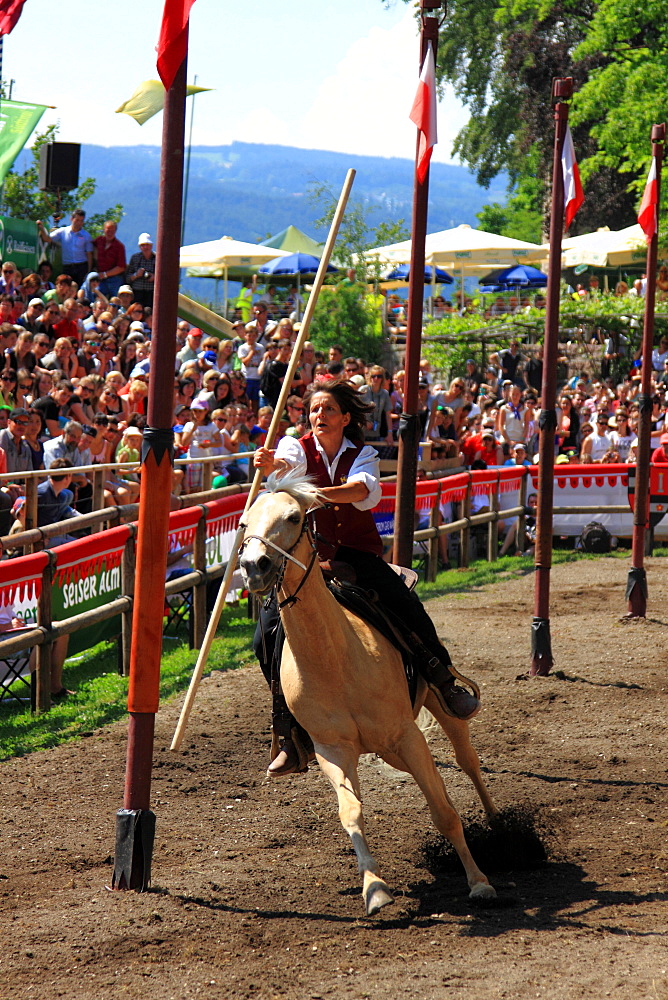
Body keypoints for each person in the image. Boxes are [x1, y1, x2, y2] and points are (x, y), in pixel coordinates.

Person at [252, 377, 481, 777]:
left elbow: (361, 491)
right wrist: (274, 468)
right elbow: (288, 468)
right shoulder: (295, 447)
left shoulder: (365, 454)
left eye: (327, 409)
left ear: (344, 417)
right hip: (307, 559)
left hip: (356, 556)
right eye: (314, 410)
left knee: (401, 601)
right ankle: (289, 733)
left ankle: (442, 678)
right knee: (266, 633)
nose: (318, 415)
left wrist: (317, 496)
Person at [37, 210, 94, 288]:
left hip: (81, 266)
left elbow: (89, 254)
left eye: (81, 221)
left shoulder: (86, 236)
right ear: (71, 219)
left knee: (80, 288)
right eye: (77, 220)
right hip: (68, 266)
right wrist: (42, 228)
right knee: (66, 288)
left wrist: (89, 271)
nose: (79, 223)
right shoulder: (63, 231)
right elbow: (48, 239)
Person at [94, 220, 127, 298]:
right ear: (103, 230)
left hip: (114, 279)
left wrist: (105, 274)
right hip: (99, 278)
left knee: (116, 300)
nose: (110, 233)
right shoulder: (99, 241)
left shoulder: (119, 246)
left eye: (112, 231)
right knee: (97, 298)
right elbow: (89, 248)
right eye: (108, 230)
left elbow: (121, 267)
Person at [126, 233, 156, 308]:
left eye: (147, 244)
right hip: (137, 292)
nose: (145, 247)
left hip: (152, 292)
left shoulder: (158, 258)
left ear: (151, 245)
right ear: (140, 247)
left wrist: (155, 277)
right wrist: (136, 275)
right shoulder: (135, 258)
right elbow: (127, 278)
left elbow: (164, 277)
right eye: (143, 245)